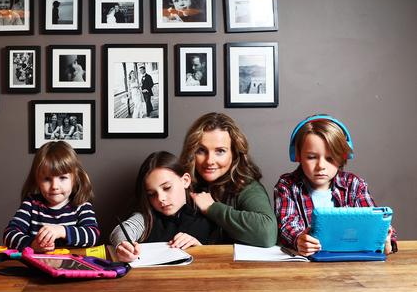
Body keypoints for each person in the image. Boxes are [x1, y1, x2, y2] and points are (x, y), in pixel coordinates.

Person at [274, 115, 397, 256]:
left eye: (330, 158)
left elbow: (373, 219)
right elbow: (287, 224)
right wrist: (299, 240)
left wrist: (385, 238)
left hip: (350, 264)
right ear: (297, 156)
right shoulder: (287, 186)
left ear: (342, 157)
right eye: (311, 157)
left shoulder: (355, 185)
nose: (321, 166)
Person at [180, 112, 277, 247]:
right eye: (201, 150)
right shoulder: (180, 183)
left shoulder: (247, 187)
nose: (210, 161)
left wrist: (212, 208)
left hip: (234, 267)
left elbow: (267, 234)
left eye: (220, 151)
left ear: (234, 153)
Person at [110, 152, 215, 262]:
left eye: (167, 187)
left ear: (185, 180)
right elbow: (120, 231)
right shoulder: (147, 217)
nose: (160, 198)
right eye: (152, 194)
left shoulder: (206, 213)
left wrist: (200, 249)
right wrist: (125, 246)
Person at [3, 141, 100, 252]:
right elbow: (9, 234)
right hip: (37, 266)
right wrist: (32, 244)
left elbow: (92, 235)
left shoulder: (82, 206)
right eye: (47, 179)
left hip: (72, 267)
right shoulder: (31, 205)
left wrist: (62, 231)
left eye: (62, 178)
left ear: (75, 179)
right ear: (37, 180)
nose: (54, 186)